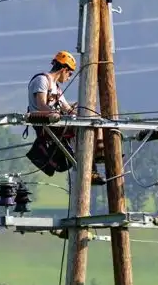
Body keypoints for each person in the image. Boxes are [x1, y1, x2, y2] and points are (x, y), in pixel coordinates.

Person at [24, 50, 106, 185]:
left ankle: (99, 152)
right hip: (45, 124)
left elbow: (67, 108)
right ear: (64, 69)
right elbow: (41, 105)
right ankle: (91, 168)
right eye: (70, 74)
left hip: (57, 123)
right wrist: (57, 115)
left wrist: (79, 112)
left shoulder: (57, 89)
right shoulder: (42, 80)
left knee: (92, 120)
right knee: (82, 130)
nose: (69, 78)